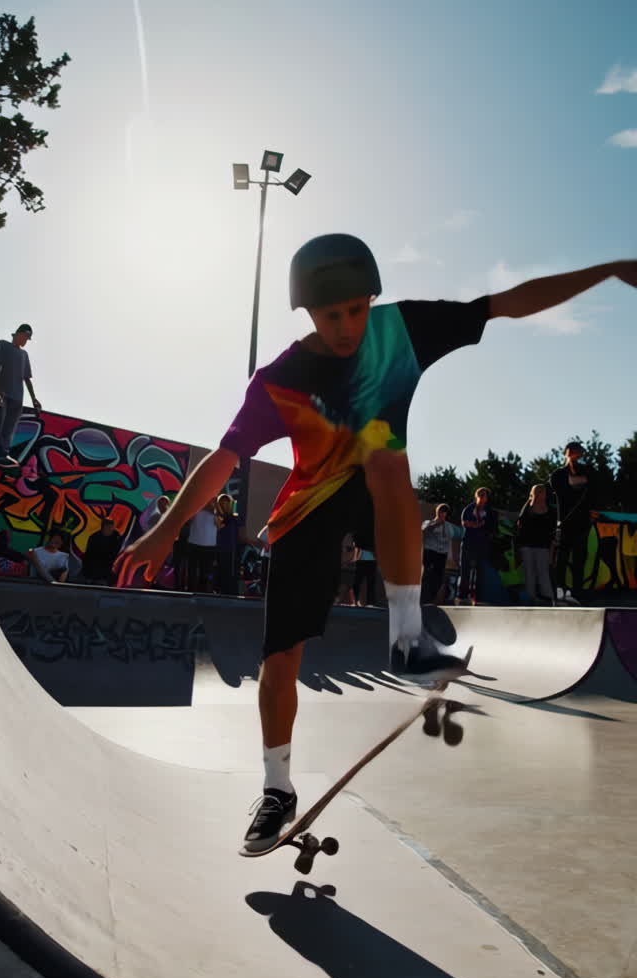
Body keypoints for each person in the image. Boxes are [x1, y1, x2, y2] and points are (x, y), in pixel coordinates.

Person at [116, 240, 637, 850]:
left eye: (354, 312)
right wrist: (167, 528)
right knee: (280, 659)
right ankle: (276, 788)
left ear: (372, 300)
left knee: (387, 460)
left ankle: (408, 634)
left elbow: (504, 305)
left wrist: (603, 270)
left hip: (379, 496)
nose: (344, 329)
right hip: (308, 510)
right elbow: (226, 457)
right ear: (307, 313)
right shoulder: (279, 379)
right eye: (328, 316)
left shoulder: (404, 330)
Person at [0, 323, 42, 466]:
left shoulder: (24, 355)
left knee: (9, 427)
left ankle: (3, 454)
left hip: (17, 397)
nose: (26, 341)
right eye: (25, 337)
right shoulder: (3, 345)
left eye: (28, 339)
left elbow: (27, 378)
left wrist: (34, 399)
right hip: (2, 393)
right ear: (18, 334)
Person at [549, 442, 595, 603]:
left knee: (580, 558)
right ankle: (559, 591)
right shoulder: (558, 474)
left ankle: (577, 592)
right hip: (565, 521)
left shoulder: (588, 470)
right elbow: (563, 490)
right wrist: (578, 481)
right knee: (562, 558)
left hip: (583, 522)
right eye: (573, 452)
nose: (576, 455)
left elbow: (594, 487)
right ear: (567, 453)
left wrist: (576, 481)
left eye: (579, 452)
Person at [515, 484, 557, 604]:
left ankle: (548, 598)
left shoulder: (550, 510)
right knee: (529, 573)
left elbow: (553, 531)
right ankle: (530, 598)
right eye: (538, 492)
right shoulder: (527, 508)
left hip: (543, 546)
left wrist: (552, 549)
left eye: (542, 492)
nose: (540, 494)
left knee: (543, 572)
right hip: (527, 545)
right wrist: (518, 547)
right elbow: (520, 527)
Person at [458, 488, 497, 604]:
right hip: (468, 543)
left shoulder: (489, 511)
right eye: (480, 495)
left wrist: (485, 528)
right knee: (465, 570)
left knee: (481, 571)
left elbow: (492, 526)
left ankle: (478, 597)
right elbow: (464, 522)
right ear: (476, 496)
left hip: (482, 544)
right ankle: (463, 596)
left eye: (484, 495)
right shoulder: (469, 509)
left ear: (486, 498)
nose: (482, 497)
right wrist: (474, 524)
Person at [420, 503, 454, 603]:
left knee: (438, 577)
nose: (442, 513)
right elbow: (424, 531)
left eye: (444, 512)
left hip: (441, 554)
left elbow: (448, 537)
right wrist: (437, 524)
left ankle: (431, 597)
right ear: (437, 511)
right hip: (429, 551)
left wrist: (443, 525)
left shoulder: (448, 526)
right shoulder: (428, 522)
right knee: (426, 574)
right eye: (441, 511)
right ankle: (423, 597)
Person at [215, 492, 244, 595]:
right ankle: (219, 589)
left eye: (227, 503)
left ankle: (230, 591)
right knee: (219, 569)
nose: (225, 505)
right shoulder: (217, 516)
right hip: (218, 548)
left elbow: (240, 536)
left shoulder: (235, 518)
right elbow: (218, 527)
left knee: (231, 571)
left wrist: (253, 542)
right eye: (222, 503)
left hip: (231, 549)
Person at [185, 500, 218, 591]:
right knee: (192, 571)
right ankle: (190, 590)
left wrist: (214, 511)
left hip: (209, 545)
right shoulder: (195, 506)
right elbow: (187, 521)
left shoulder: (216, 509)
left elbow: (220, 525)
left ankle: (202, 592)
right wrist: (200, 507)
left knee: (205, 572)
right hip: (194, 543)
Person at [80, 517, 121, 585]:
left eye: (111, 527)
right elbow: (88, 555)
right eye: (107, 526)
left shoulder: (116, 537)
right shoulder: (94, 537)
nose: (109, 529)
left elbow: (117, 554)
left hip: (108, 569)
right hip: (93, 567)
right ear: (103, 527)